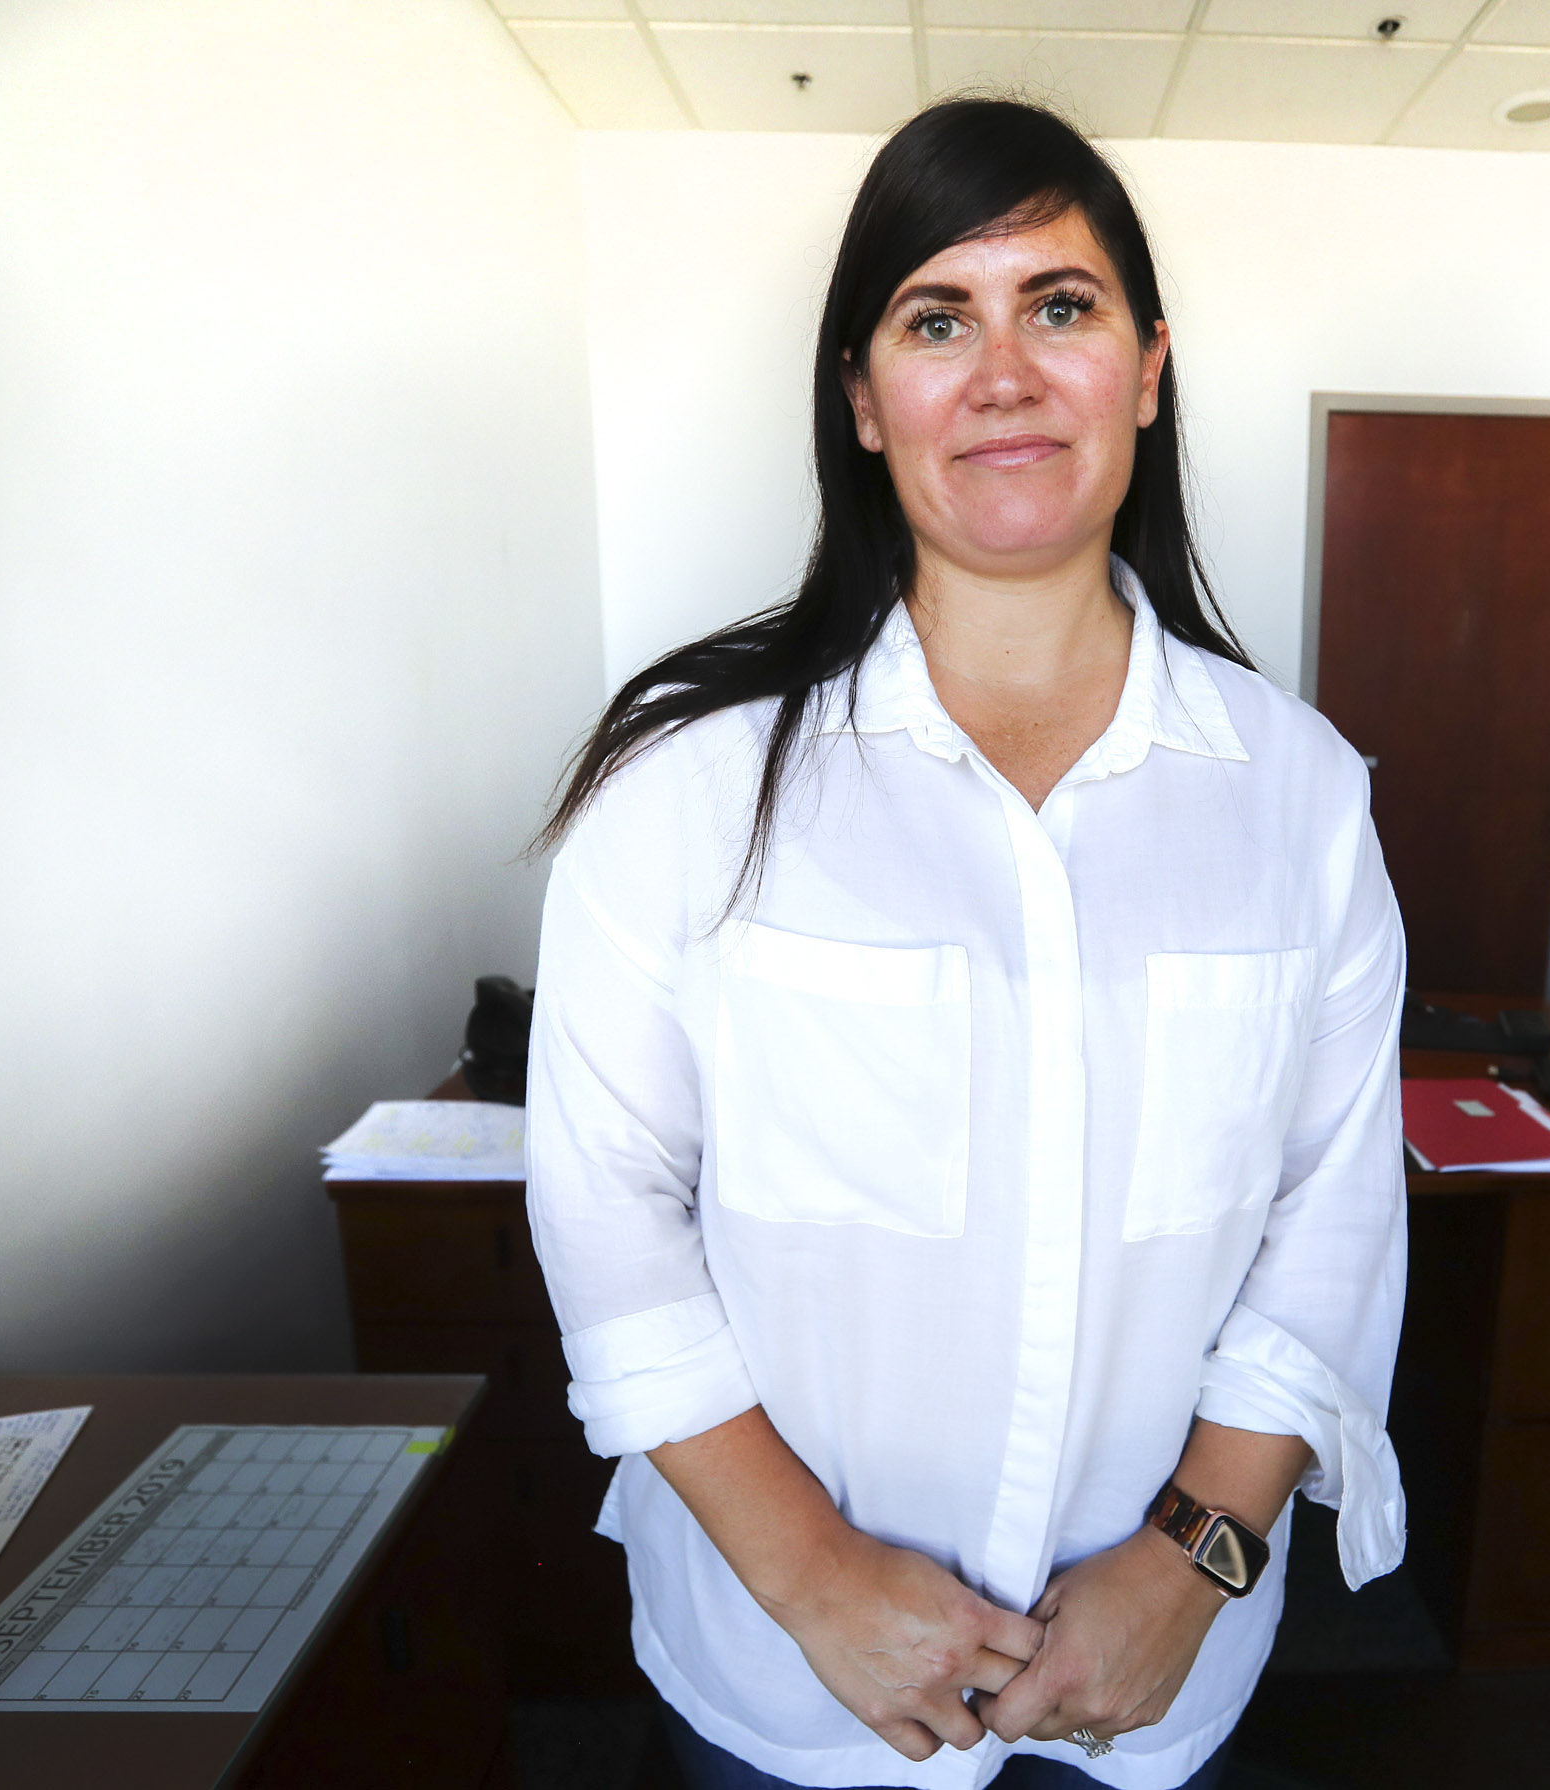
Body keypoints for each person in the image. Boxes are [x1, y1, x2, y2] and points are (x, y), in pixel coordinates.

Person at [524, 98, 1407, 1790]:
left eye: (1058, 306)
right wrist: (814, 1576)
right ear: (866, 401)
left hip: (1151, 1676)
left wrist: (1194, 1561)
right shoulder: (691, 793)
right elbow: (606, 1205)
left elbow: (1336, 1209)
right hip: (798, 1685)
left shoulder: (1299, 796)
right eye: (939, 320)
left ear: (1147, 371)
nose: (1004, 374)